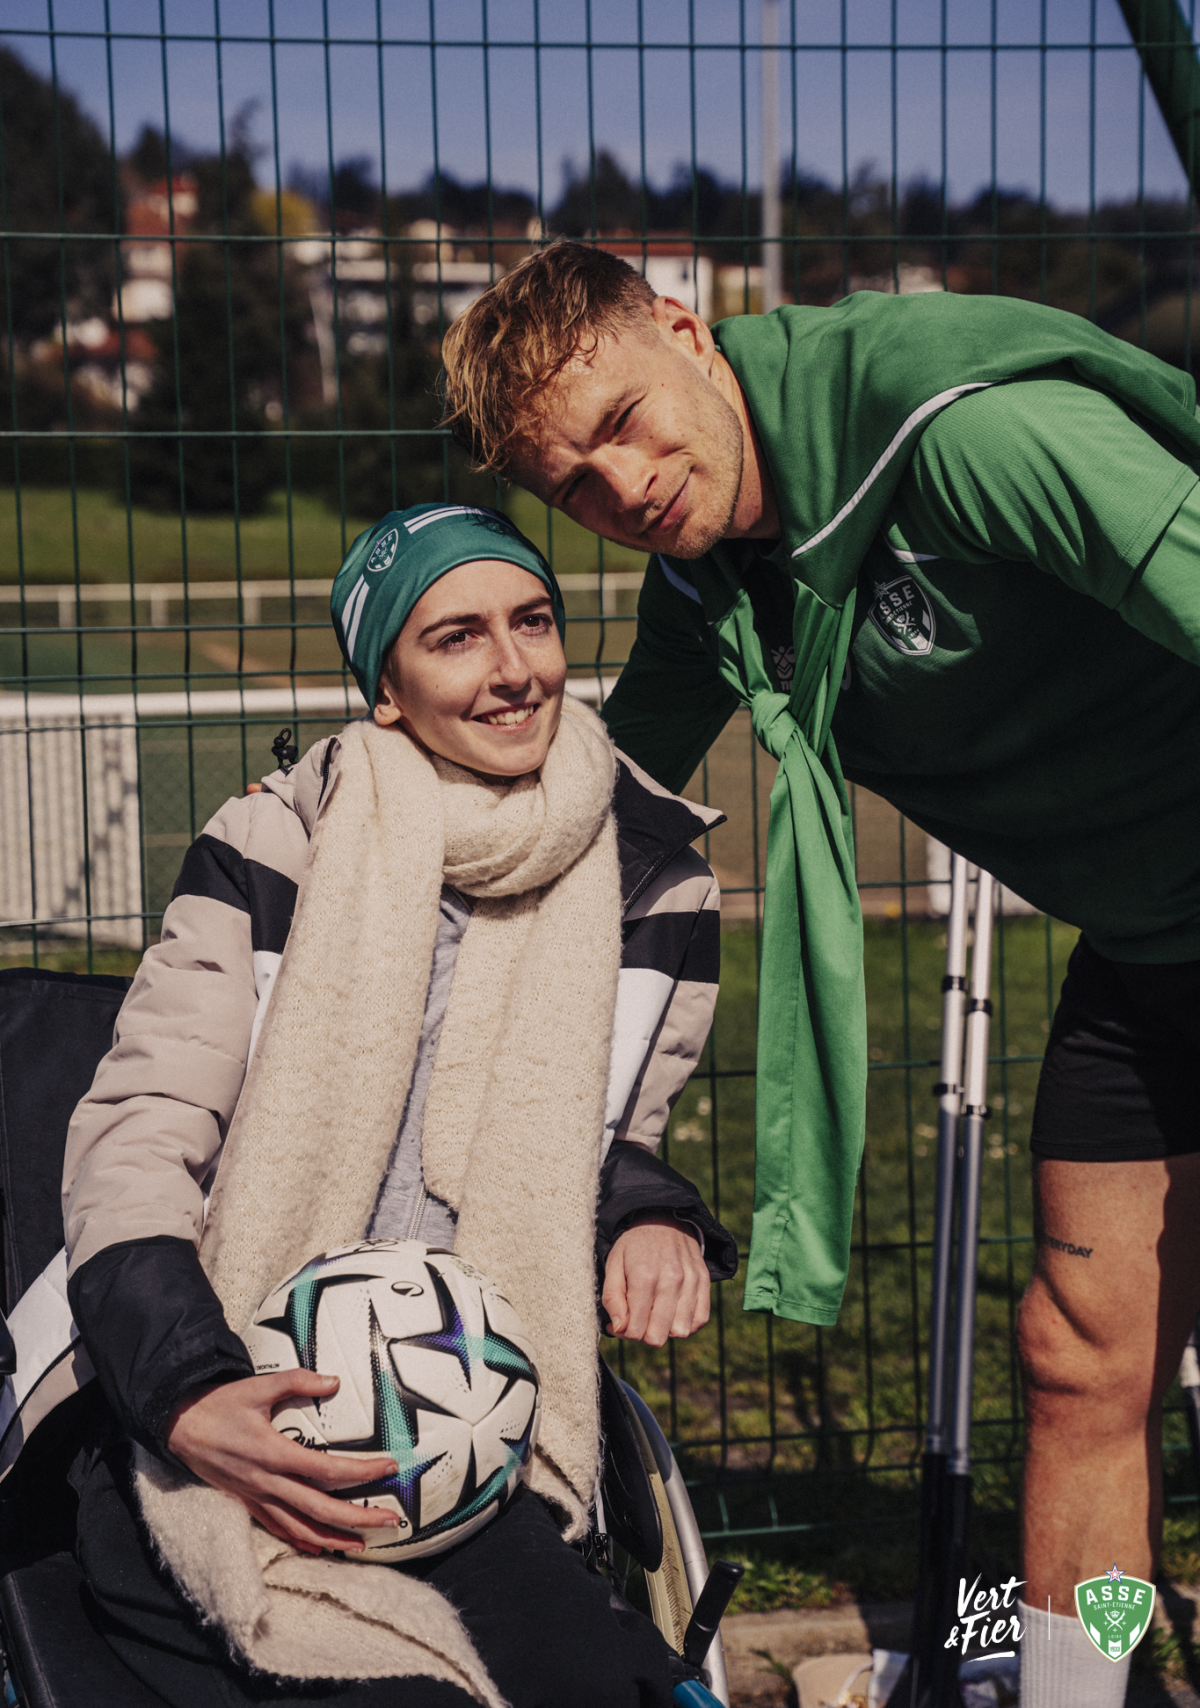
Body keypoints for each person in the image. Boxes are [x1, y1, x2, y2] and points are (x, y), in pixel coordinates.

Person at [440, 241, 1200, 1707]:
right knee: (1078, 1361)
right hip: (1151, 952)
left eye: (622, 423)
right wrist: (370, 866)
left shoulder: (967, 434)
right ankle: (1077, 1692)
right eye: (574, 486)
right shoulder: (711, 589)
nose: (624, 486)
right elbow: (599, 813)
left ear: (685, 331)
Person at [61, 501, 737, 1708]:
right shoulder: (279, 843)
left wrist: (652, 1214)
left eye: (533, 621)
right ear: (387, 687)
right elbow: (137, 1135)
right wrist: (190, 1391)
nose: (514, 669)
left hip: (470, 1438)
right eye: (456, 637)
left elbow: (602, 1139)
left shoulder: (653, 878)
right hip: (233, 1395)